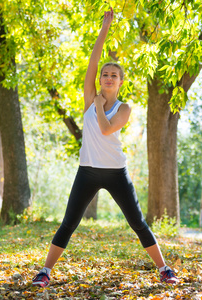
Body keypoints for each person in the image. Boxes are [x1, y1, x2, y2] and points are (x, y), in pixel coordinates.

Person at [32, 8, 178, 287]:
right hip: (87, 171)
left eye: (114, 75)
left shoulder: (124, 108)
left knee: (138, 223)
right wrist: (104, 30)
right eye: (105, 75)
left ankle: (164, 269)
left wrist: (99, 106)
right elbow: (92, 60)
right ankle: (45, 271)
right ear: (100, 79)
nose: (108, 78)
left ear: (120, 82)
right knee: (69, 223)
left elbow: (106, 129)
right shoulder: (89, 98)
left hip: (115, 173)